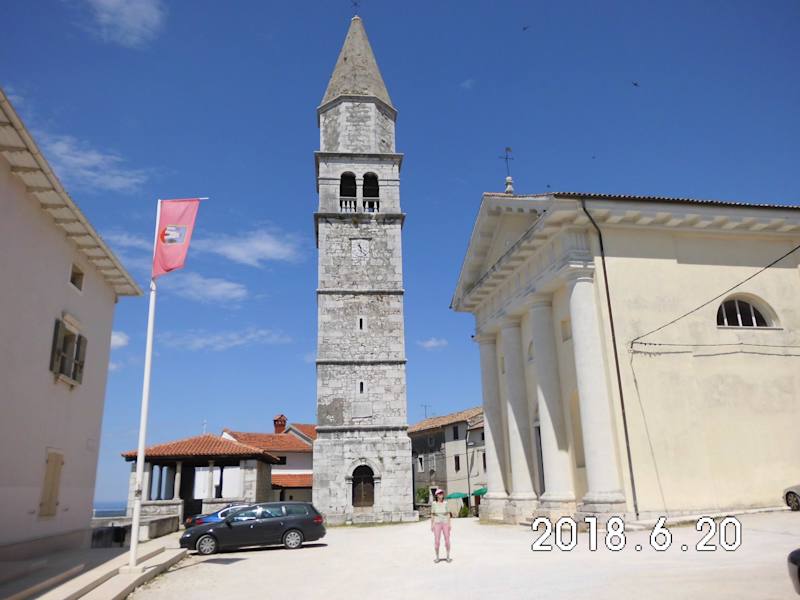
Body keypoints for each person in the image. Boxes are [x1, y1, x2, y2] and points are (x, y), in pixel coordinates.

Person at [430, 488, 452, 563]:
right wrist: (432, 524)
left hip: (445, 523)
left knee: (447, 540)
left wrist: (449, 524)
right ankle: (437, 557)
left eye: (442, 493)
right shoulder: (434, 504)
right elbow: (432, 514)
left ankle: (448, 556)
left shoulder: (446, 503)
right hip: (437, 523)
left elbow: (448, 514)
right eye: (439, 493)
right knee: (437, 541)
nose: (441, 494)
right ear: (436, 495)